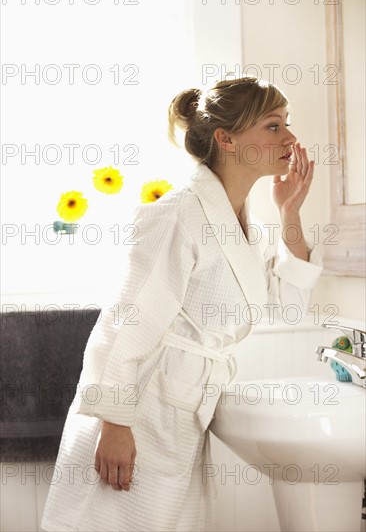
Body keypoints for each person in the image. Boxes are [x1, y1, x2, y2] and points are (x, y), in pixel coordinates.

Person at [41, 76, 323, 532]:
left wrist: (291, 213)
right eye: (274, 126)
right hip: (138, 410)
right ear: (225, 139)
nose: (290, 138)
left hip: (182, 415)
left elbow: (289, 309)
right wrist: (114, 423)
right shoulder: (177, 214)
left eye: (286, 124)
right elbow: (124, 319)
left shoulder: (250, 232)